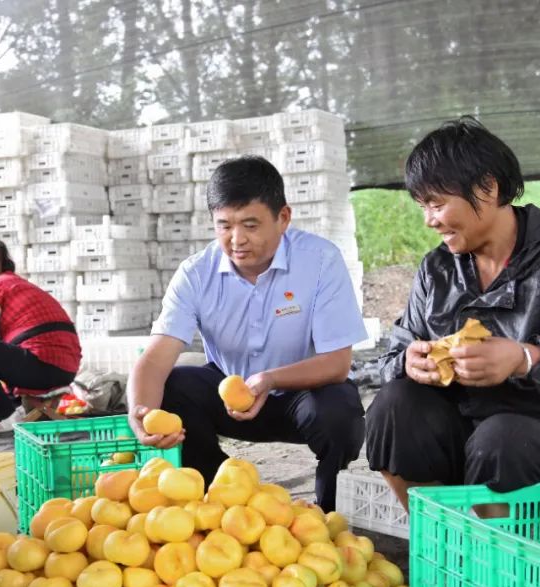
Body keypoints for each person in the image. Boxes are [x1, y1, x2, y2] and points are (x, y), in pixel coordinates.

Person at [366, 116, 540, 511]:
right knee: (393, 406)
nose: (429, 220)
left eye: (437, 204)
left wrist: (525, 359)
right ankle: (444, 534)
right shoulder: (437, 269)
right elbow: (394, 355)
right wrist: (409, 362)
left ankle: (503, 548)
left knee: (501, 438)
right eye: (422, 206)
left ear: (487, 188)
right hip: (472, 440)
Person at [127, 155, 368, 511]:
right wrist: (141, 413)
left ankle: (326, 512)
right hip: (231, 396)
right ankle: (220, 499)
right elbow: (155, 358)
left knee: (339, 411)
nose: (236, 239)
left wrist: (269, 380)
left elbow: (337, 362)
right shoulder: (196, 274)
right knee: (174, 387)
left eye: (250, 225)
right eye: (224, 226)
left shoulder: (320, 260)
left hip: (304, 395)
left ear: (283, 218)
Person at [0, 241, 82, 428]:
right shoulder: (21, 286)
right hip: (66, 367)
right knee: (4, 352)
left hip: (42, 364)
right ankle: (12, 411)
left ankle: (5, 414)